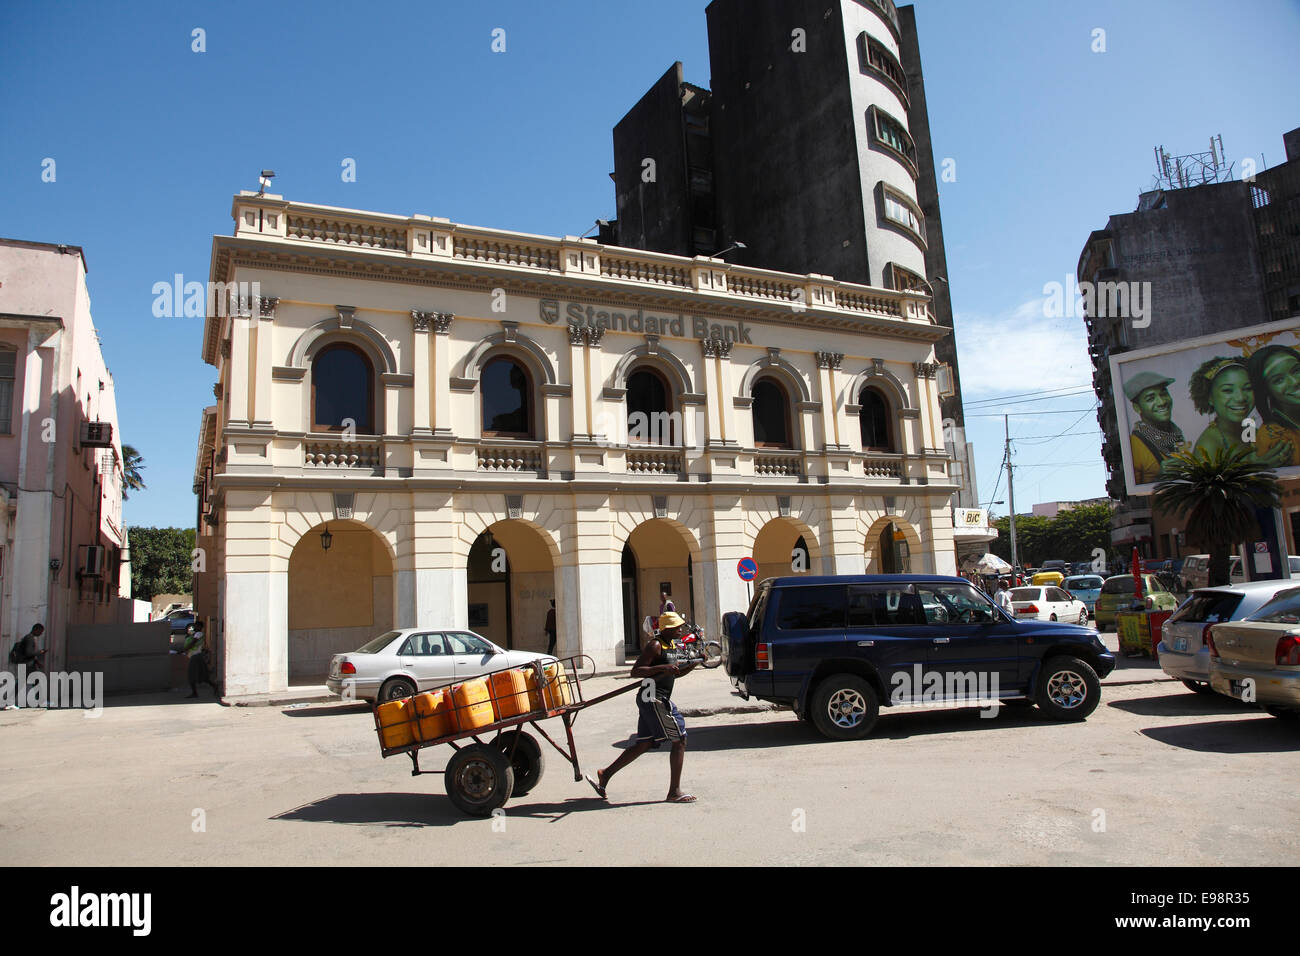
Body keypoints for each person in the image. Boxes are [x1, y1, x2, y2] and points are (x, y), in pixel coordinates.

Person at [586, 610, 698, 804]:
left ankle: (605, 774)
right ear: (668, 629)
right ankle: (674, 792)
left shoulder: (670, 645)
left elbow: (674, 674)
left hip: (653, 698)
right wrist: (661, 668)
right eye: (677, 627)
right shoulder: (655, 645)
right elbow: (636, 671)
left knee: (644, 743)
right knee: (679, 739)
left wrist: (694, 664)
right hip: (653, 698)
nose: (681, 629)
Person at [1125, 371, 1187, 483]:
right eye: (1150, 399)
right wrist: (1160, 478)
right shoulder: (1133, 446)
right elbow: (1135, 496)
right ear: (1137, 407)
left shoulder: (1177, 435)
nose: (1161, 402)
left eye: (1163, 394)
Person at [1248, 343, 1300, 467]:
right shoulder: (1273, 439)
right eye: (1278, 380)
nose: (1295, 382)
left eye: (1297, 370)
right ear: (1266, 390)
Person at [183, 624, 218, 698]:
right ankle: (214, 686)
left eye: (196, 626)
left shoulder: (199, 634)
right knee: (202, 675)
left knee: (192, 675)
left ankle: (195, 693)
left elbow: (193, 643)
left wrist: (185, 649)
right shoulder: (195, 634)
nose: (194, 627)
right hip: (195, 656)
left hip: (195, 656)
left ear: (200, 627)